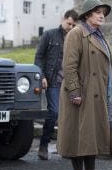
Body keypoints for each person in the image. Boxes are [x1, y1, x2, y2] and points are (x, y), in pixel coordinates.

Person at [57, 0, 112, 170]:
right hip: (81, 93)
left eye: (103, 12)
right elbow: (69, 66)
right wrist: (75, 91)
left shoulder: (99, 35)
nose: (102, 15)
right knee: (78, 132)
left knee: (90, 133)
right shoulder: (76, 33)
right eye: (97, 12)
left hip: (97, 91)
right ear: (87, 15)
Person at [34, 10, 79, 160]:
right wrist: (42, 76)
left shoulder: (76, 39)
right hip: (53, 81)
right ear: (63, 19)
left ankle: (66, 148)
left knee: (70, 116)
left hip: (70, 83)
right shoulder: (49, 35)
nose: (71, 27)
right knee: (53, 112)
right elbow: (39, 57)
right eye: (69, 23)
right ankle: (44, 145)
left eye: (74, 25)